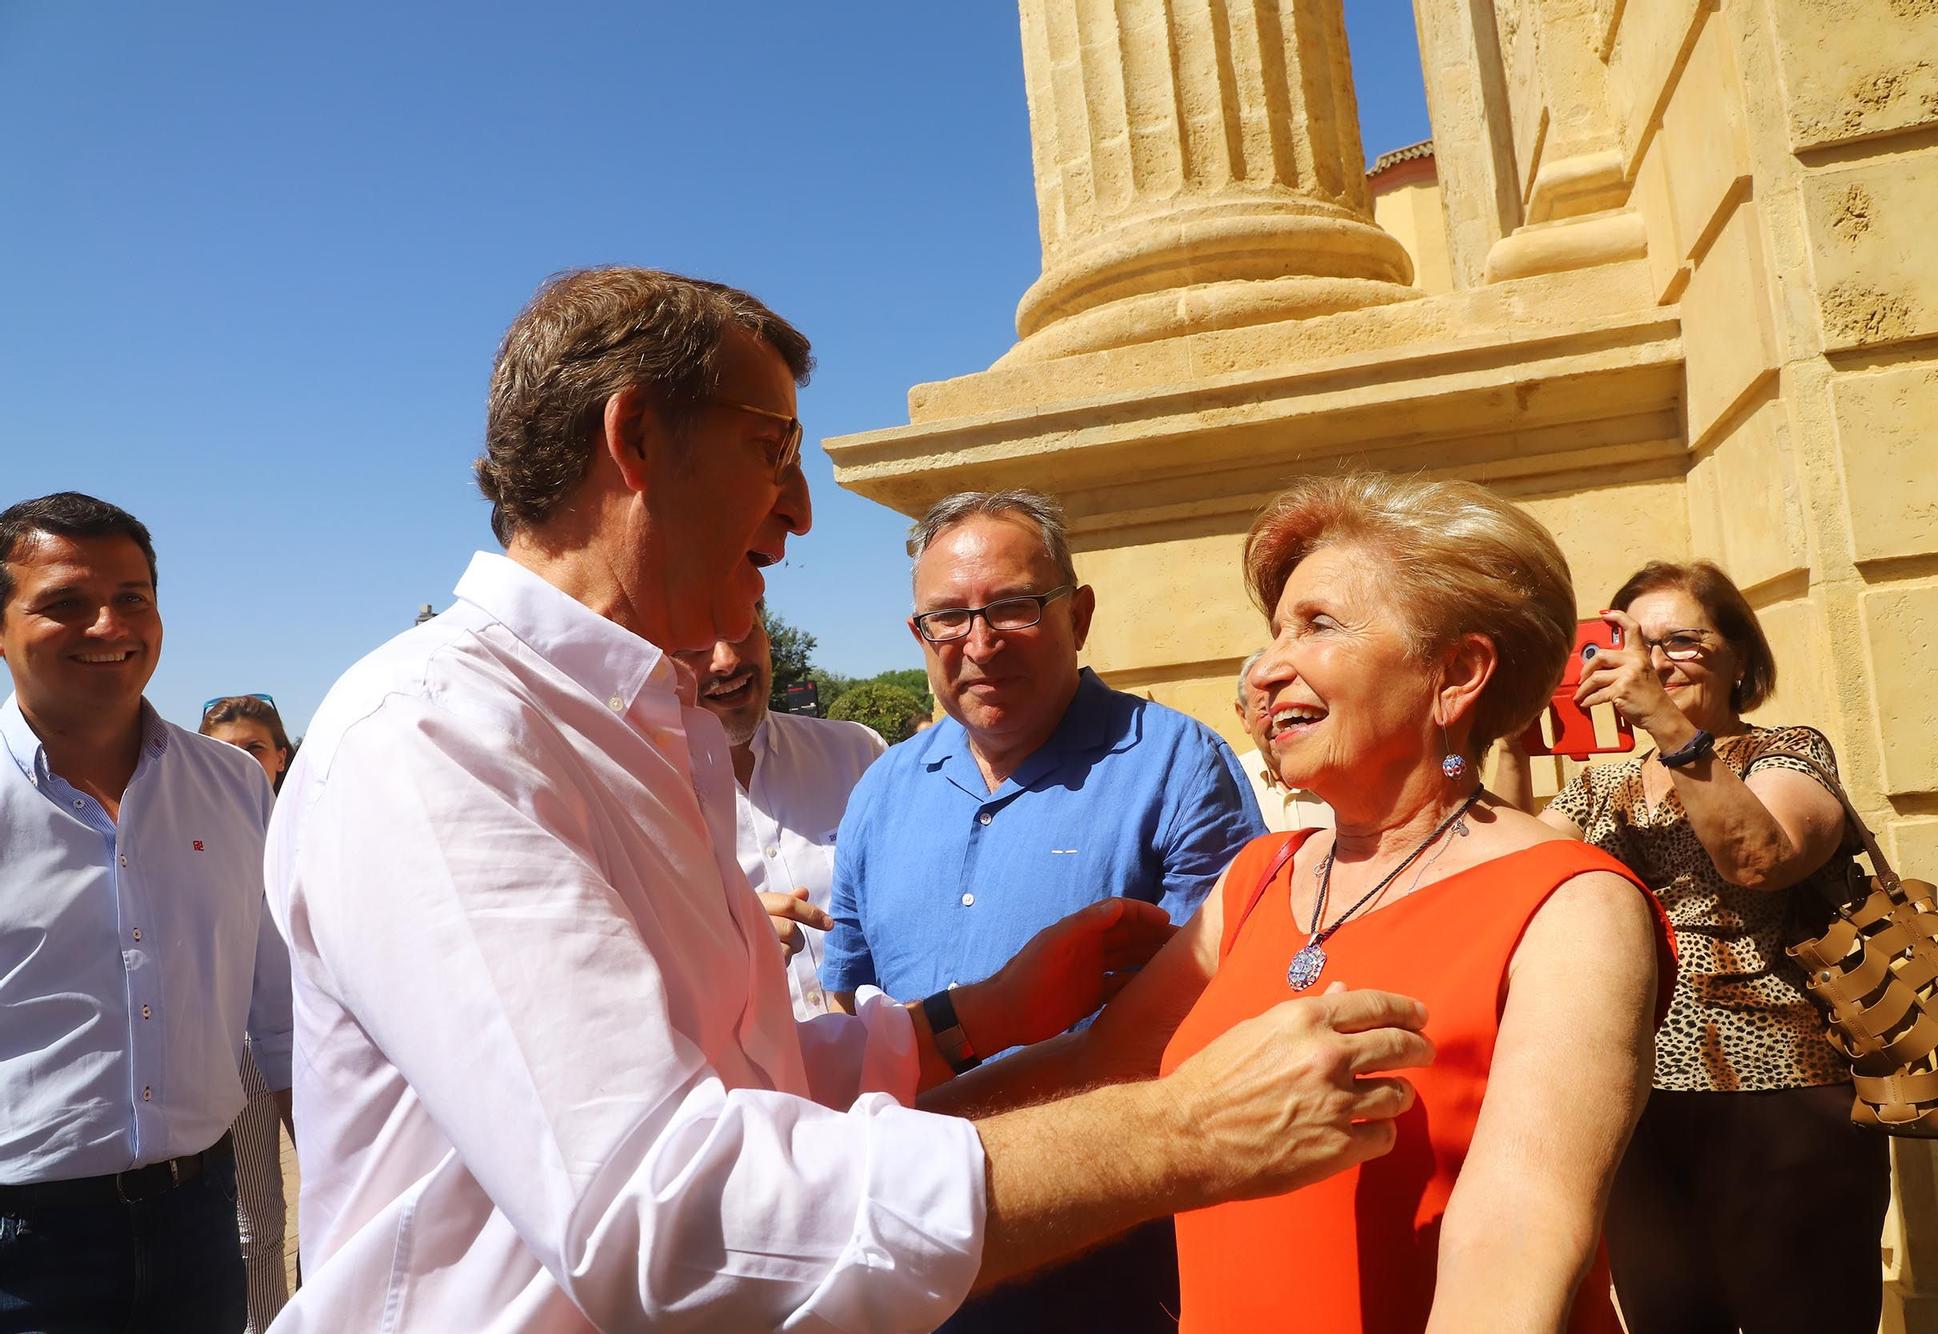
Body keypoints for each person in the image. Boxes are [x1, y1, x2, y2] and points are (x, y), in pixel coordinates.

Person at [263, 266, 1435, 1332]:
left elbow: (745, 1078)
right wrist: (1188, 1130)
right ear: (634, 438)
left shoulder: (634, 726)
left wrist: (973, 1015)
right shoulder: (436, 733)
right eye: (771, 447)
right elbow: (668, 1213)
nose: (801, 511)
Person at [933, 472, 1676, 1332]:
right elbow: (1096, 1069)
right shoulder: (1260, 876)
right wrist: (850, 1149)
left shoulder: (1571, 904)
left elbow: (1518, 1237)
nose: (1265, 669)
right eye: (1274, 632)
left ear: (1459, 672)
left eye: (1317, 626)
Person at [822, 488, 1267, 1333]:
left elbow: (1216, 1019)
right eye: (946, 619)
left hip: (1106, 1258)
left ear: (1080, 615)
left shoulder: (1177, 766)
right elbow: (847, 997)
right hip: (911, 1252)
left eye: (1013, 608)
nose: (979, 645)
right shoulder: (883, 787)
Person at [1491, 559, 1890, 1334]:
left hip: (1784, 1104)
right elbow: (1509, 888)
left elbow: (1760, 858)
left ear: (1739, 655)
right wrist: (1509, 747)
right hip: (1641, 1106)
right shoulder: (1603, 787)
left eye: (1678, 640)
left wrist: (1669, 726)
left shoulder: (1784, 753)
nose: (1651, 661)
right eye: (1631, 642)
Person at [0, 492, 293, 1333]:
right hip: (23, 1245)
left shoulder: (235, 787)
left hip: (197, 1224)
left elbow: (280, 1009)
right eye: (63, 603)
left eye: (132, 597)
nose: (108, 624)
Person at [677, 605, 885, 1017]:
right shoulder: (641, 800)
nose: (726, 660)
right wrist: (718, 955)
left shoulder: (859, 755)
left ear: (766, 637)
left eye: (740, 628)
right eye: (695, 643)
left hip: (892, 1064)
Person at [201, 694, 300, 1332]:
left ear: (280, 756)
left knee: (341, 1191)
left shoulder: (318, 825)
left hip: (317, 1036)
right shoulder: (186, 834)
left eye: (253, 750)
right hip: (230, 1043)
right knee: (252, 1217)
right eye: (222, 751)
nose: (238, 764)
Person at [1231, 649, 1333, 832]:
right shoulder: (1228, 785)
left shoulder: (1353, 779)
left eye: (1292, 706)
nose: (1280, 718)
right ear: (1244, 716)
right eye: (1264, 707)